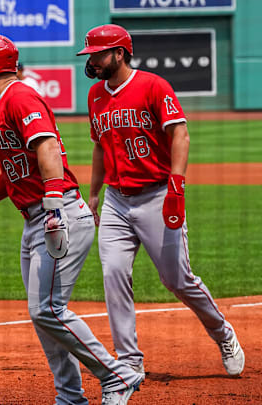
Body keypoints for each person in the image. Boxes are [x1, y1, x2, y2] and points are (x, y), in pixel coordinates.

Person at [0, 34, 143, 405]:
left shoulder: (20, 97)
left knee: (48, 310)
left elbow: (47, 150)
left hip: (57, 214)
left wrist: (54, 206)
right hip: (37, 218)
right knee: (44, 318)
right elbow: (17, 170)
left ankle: (117, 375)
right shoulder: (4, 102)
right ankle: (71, 397)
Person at [77, 24, 245, 377]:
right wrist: (93, 194)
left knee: (176, 279)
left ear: (119, 53)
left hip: (156, 196)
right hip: (116, 201)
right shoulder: (95, 95)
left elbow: (180, 134)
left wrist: (176, 186)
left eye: (97, 53)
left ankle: (222, 332)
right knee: (113, 273)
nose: (91, 60)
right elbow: (98, 146)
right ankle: (129, 361)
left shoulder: (153, 86)